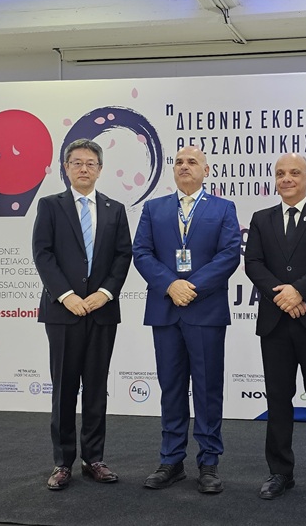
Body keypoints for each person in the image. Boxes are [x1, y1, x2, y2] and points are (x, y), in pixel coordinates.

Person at [132, 145, 241, 494]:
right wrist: (170, 285)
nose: (184, 166)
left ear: (206, 170)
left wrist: (190, 287)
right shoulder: (154, 208)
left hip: (205, 310)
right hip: (166, 310)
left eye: (192, 161)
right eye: (178, 162)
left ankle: (208, 462)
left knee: (208, 389)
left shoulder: (223, 208)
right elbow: (141, 252)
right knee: (172, 388)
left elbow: (229, 255)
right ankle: (171, 460)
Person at [244, 154, 306, 501]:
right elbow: (253, 263)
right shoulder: (261, 219)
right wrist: (283, 297)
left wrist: (298, 291)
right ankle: (280, 472)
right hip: (275, 325)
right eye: (280, 173)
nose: (286, 178)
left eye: (294, 173)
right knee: (278, 400)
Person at [32, 138, 132, 490]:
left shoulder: (115, 209)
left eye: (91, 163)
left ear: (100, 169)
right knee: (64, 389)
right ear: (66, 167)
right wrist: (67, 295)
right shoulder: (50, 205)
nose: (84, 168)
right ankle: (62, 463)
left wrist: (104, 294)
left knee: (96, 388)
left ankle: (94, 459)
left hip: (102, 312)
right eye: (77, 162)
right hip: (64, 312)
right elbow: (43, 254)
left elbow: (123, 255)